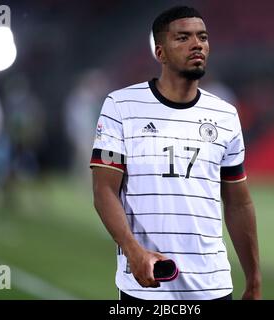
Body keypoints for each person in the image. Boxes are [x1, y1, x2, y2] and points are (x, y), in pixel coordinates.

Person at [90, 6, 261, 300]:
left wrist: (254, 280)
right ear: (160, 53)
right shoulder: (121, 106)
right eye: (183, 38)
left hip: (213, 285)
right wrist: (133, 252)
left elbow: (238, 203)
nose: (197, 44)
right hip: (147, 285)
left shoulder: (225, 115)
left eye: (203, 37)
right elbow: (104, 191)